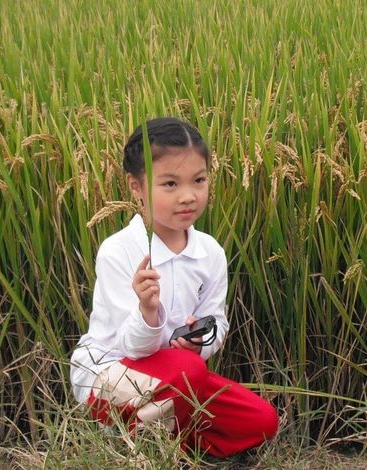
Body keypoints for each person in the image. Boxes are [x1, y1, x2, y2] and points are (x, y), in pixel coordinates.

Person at [70, 117, 278, 458]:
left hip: (177, 378)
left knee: (261, 420)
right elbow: (130, 349)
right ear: (136, 186)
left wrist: (200, 345)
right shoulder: (120, 250)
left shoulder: (209, 252)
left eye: (199, 180)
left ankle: (170, 440)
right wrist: (148, 313)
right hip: (108, 377)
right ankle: (150, 450)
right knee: (188, 369)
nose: (188, 196)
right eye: (169, 184)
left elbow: (218, 322)